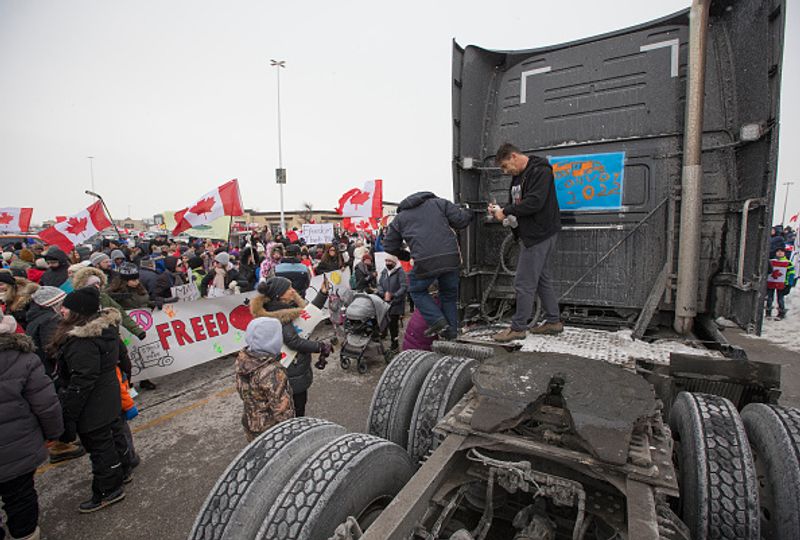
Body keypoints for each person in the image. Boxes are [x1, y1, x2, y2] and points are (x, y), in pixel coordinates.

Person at [48, 287, 131, 512]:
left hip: (94, 402)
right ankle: (124, 469)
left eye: (67, 307)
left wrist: (69, 412)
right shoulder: (106, 329)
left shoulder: (82, 341)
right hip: (108, 394)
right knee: (114, 435)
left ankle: (108, 490)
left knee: (100, 446)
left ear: (78, 313)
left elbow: (82, 381)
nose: (62, 310)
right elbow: (123, 357)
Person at [488, 143, 563, 341]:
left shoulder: (540, 171)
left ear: (514, 156)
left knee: (523, 282)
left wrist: (507, 211)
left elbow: (535, 202)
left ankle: (518, 327)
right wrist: (501, 210)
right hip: (532, 234)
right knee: (542, 279)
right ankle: (553, 321)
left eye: (505, 166)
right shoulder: (517, 177)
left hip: (539, 234)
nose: (505, 171)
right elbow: (517, 204)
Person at [0, 315, 64, 540]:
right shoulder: (22, 358)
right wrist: (55, 433)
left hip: (15, 443)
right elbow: (46, 404)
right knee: (20, 497)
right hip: (17, 447)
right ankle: (26, 536)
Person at [383, 191, 473, 340]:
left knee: (416, 291)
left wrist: (405, 255)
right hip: (450, 259)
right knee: (449, 296)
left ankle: (438, 321)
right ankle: (452, 334)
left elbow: (389, 245)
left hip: (425, 262)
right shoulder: (440, 203)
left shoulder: (400, 218)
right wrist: (469, 212)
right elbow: (461, 221)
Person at [249, 277, 332, 417]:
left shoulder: (287, 308)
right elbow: (294, 341)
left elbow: (308, 315)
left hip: (295, 369)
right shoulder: (279, 316)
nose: (293, 290)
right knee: (295, 407)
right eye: (288, 288)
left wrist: (322, 293)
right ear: (278, 295)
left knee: (297, 404)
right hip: (290, 371)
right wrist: (320, 346)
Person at [235, 317, 295, 441]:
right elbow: (282, 411)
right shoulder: (272, 371)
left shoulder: (243, 359)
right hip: (272, 432)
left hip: (251, 423)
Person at [71, 266, 147, 341]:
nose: (96, 286)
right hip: (89, 339)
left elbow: (121, 314)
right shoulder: (78, 300)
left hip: (111, 335)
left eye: (98, 284)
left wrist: (138, 331)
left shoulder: (103, 297)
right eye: (93, 284)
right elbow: (73, 321)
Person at [25, 286, 66, 377]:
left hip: (38, 366)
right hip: (48, 369)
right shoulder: (51, 320)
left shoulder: (35, 317)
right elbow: (50, 349)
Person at [376, 254, 407, 352]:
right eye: (386, 261)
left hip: (396, 303)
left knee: (393, 324)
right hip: (384, 301)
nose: (387, 263)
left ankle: (395, 344)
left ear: (394, 262)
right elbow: (380, 284)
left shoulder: (400, 272)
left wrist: (394, 295)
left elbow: (404, 287)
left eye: (389, 261)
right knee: (384, 320)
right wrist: (382, 293)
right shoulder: (385, 271)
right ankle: (383, 334)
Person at [766, 247, 796, 319]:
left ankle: (781, 313)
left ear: (784, 253)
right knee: (769, 298)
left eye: (781, 251)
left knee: (780, 299)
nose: (779, 253)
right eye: (778, 251)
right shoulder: (771, 261)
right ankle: (768, 313)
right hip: (771, 282)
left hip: (783, 283)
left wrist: (789, 283)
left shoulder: (788, 263)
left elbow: (791, 273)